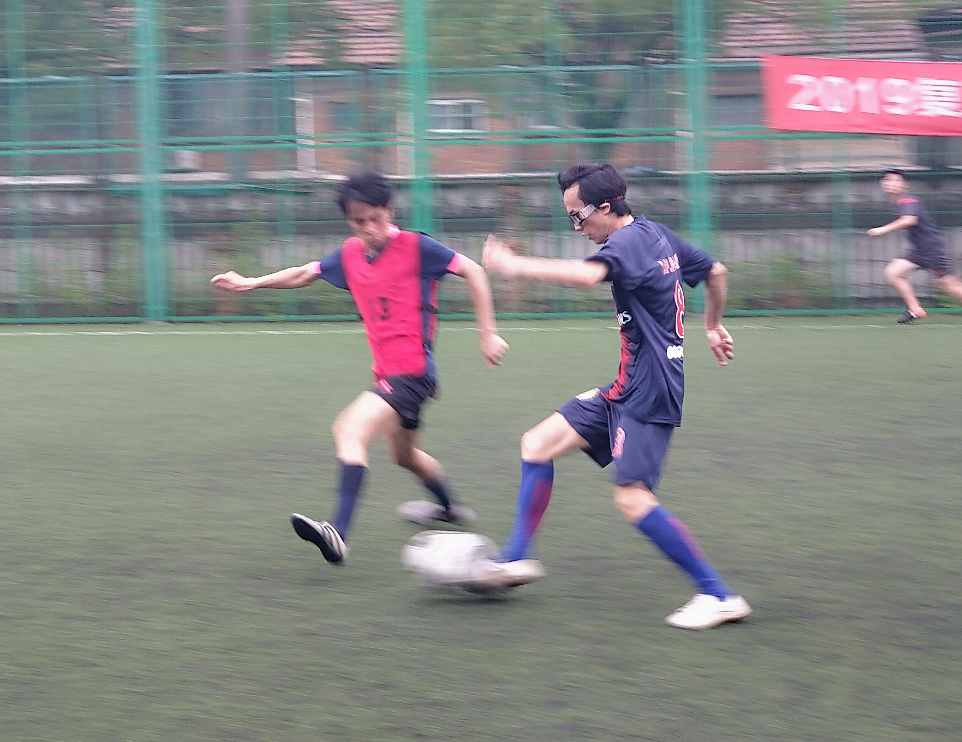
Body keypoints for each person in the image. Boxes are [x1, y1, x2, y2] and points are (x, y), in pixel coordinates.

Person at [474, 162, 750, 630]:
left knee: (632, 498)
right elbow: (716, 271)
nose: (576, 227)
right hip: (627, 387)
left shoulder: (627, 242)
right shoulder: (656, 234)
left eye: (578, 216)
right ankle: (516, 558)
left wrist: (514, 265)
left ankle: (718, 595)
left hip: (650, 392)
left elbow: (587, 277)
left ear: (605, 207)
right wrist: (713, 324)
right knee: (537, 444)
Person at [210, 170, 509, 566]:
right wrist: (250, 282)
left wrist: (488, 334)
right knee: (404, 456)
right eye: (358, 221)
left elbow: (473, 270)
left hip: (411, 373)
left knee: (348, 429)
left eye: (375, 218)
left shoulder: (417, 247)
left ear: (389, 211)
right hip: (392, 374)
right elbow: (305, 273)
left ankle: (338, 533)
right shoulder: (350, 254)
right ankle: (450, 508)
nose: (369, 228)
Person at [868, 168, 962, 326]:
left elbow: (909, 220)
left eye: (896, 181)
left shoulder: (908, 200)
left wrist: (883, 229)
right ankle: (915, 309)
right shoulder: (898, 202)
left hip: (931, 248)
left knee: (949, 284)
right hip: (919, 249)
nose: (891, 183)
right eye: (888, 180)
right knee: (893, 272)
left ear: (905, 185)